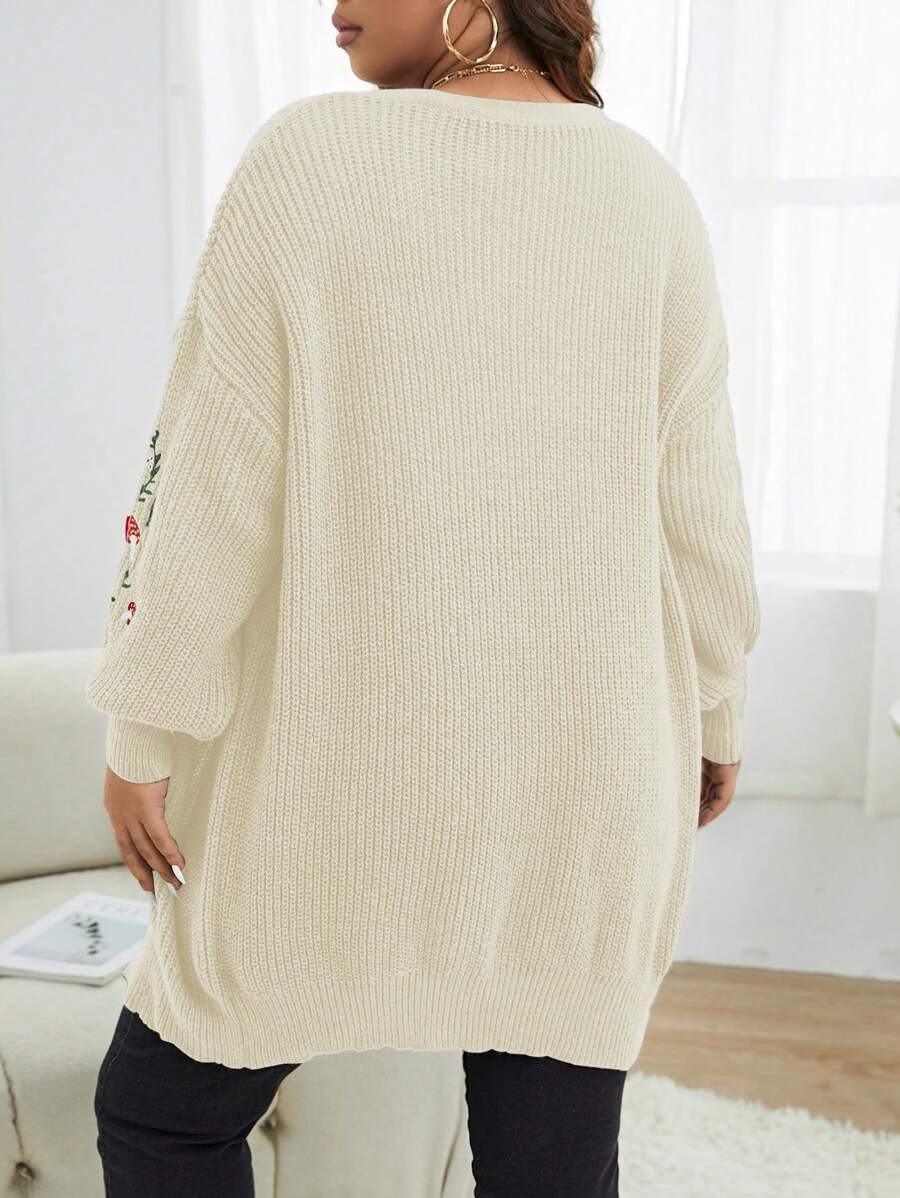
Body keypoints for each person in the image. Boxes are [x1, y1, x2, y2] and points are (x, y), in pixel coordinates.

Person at [87, 1, 761, 1195]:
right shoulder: (646, 193)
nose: (333, 5)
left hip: (323, 790)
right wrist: (715, 713)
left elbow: (208, 483)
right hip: (583, 781)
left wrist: (144, 727)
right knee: (549, 1169)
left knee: (162, 1115)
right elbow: (698, 506)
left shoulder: (310, 160)